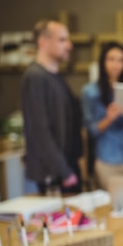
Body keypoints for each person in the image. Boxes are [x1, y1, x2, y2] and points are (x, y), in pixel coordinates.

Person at [21, 20, 83, 194]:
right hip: (54, 172)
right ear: (43, 42)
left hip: (67, 166)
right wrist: (63, 171)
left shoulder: (55, 76)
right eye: (62, 40)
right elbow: (39, 130)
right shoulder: (36, 77)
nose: (69, 45)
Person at [81, 41, 123, 190]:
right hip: (108, 160)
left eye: (121, 60)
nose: (116, 64)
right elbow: (91, 131)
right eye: (111, 59)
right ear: (103, 61)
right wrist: (108, 119)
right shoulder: (91, 92)